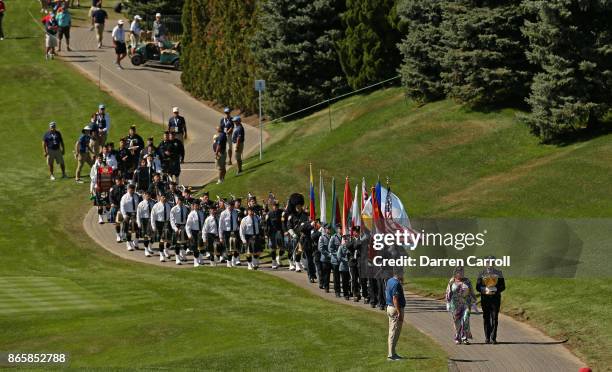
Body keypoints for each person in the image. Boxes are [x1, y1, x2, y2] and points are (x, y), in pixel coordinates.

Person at [476, 257, 505, 344]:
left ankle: (493, 338)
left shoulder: (499, 273)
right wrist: (484, 289)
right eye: (487, 262)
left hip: (495, 299)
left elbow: (503, 286)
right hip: (485, 299)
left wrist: (495, 289)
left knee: (495, 318)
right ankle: (487, 337)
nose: (489, 264)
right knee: (486, 318)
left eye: (491, 262)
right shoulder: (481, 273)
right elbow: (477, 287)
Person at [445, 266, 477, 345]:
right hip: (455, 304)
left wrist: (474, 302)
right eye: (460, 272)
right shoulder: (452, 281)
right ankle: (457, 336)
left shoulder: (467, 281)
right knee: (457, 321)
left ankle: (464, 337)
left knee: (465, 319)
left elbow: (471, 292)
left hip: (466, 303)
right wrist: (448, 303)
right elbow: (448, 292)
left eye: (462, 272)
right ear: (456, 273)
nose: (461, 274)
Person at [385, 268, 406, 361]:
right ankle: (391, 355)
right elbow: (395, 299)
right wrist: (399, 312)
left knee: (392, 331)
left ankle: (393, 353)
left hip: (390, 308)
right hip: (395, 309)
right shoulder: (396, 284)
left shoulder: (390, 280)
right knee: (394, 332)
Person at [150, 193, 171, 262]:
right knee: (161, 240)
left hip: (167, 223)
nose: (164, 198)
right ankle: (161, 255)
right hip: (159, 223)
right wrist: (153, 226)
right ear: (160, 197)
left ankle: (166, 250)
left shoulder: (168, 205)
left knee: (169, 240)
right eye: (163, 197)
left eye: (165, 197)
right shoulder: (156, 206)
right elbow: (153, 217)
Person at [218, 200, 239, 267]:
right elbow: (220, 226)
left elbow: (236, 222)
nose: (231, 207)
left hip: (234, 232)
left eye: (232, 205)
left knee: (235, 248)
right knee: (228, 248)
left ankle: (233, 261)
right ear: (227, 205)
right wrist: (220, 236)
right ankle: (229, 262)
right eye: (230, 205)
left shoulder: (235, 212)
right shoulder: (223, 213)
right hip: (227, 232)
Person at [120, 183, 140, 251]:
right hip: (127, 214)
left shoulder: (137, 196)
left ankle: (136, 242)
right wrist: (124, 215)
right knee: (128, 230)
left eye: (133, 190)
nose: (132, 191)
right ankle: (128, 244)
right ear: (128, 189)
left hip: (136, 214)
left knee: (138, 228)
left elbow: (139, 206)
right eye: (130, 190)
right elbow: (122, 207)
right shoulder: (124, 197)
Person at [170, 197, 189, 265]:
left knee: (185, 243)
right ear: (177, 201)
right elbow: (171, 220)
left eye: (182, 201)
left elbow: (187, 218)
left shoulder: (185, 208)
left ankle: (183, 255)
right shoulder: (174, 209)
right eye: (180, 200)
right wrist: (175, 228)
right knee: (177, 244)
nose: (181, 202)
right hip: (177, 226)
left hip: (184, 226)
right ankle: (177, 258)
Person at [185, 202, 205, 267]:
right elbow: (188, 226)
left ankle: (201, 259)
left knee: (201, 246)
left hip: (201, 232)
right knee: (195, 247)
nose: (197, 206)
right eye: (195, 205)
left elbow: (203, 224)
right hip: (194, 232)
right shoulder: (191, 214)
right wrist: (189, 235)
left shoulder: (201, 213)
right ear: (193, 206)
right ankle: (195, 262)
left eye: (198, 205)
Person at [136, 191, 155, 257]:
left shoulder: (153, 202)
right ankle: (146, 250)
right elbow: (138, 214)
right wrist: (138, 222)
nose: (148, 196)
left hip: (152, 220)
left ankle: (150, 246)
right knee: (146, 236)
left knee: (153, 235)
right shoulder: (141, 204)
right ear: (144, 195)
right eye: (146, 195)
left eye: (149, 195)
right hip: (144, 220)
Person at [265, 201, 284, 269]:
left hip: (280, 232)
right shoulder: (269, 214)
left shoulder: (281, 212)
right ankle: (273, 262)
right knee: (273, 248)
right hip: (272, 233)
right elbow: (267, 224)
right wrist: (267, 233)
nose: (275, 207)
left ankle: (279, 257)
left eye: (277, 206)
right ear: (272, 206)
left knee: (282, 248)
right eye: (274, 206)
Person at [328, 224, 342, 297]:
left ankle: (347, 291)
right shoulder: (333, 237)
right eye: (340, 228)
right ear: (337, 229)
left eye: (342, 228)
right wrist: (338, 254)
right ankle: (337, 291)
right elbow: (330, 248)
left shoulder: (345, 237)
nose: (341, 230)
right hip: (335, 260)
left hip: (343, 261)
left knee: (345, 277)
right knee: (336, 276)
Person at [337, 236, 351, 300]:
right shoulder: (341, 247)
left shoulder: (350, 247)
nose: (345, 241)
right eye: (344, 239)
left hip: (350, 267)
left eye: (347, 239)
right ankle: (346, 294)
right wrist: (346, 260)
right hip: (343, 267)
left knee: (349, 281)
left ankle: (349, 292)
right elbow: (339, 256)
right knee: (344, 281)